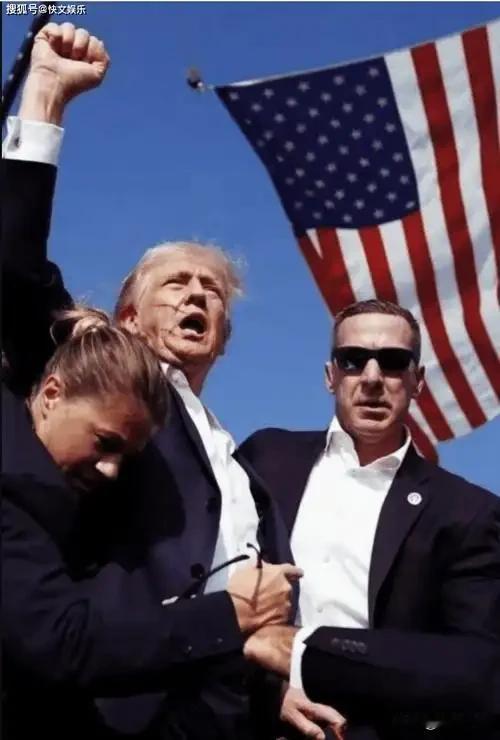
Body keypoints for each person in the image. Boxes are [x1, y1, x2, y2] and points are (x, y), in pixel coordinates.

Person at [2, 22, 314, 739]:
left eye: (213, 291)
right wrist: (45, 98)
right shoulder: (92, 375)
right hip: (102, 706)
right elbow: (13, 270)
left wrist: (273, 681)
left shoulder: (243, 468)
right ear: (126, 316)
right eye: (176, 283)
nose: (198, 294)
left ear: (226, 339)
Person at [239, 299, 500, 740]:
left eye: (393, 362)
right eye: (353, 360)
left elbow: (476, 665)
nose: (373, 378)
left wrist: (300, 650)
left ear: (417, 381)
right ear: (330, 376)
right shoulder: (266, 458)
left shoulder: (467, 511)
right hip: (246, 719)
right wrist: (269, 689)